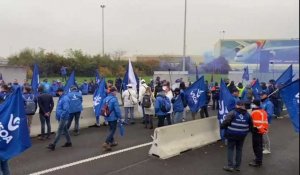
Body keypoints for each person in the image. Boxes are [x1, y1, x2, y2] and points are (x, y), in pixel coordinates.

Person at [221, 101, 252, 172]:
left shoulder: (233, 112)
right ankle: (237, 166)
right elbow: (251, 125)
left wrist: (222, 126)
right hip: (242, 135)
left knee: (230, 149)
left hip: (232, 134)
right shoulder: (247, 114)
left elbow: (226, 121)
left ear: (237, 105)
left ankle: (230, 166)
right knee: (239, 149)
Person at [249, 99, 269, 167]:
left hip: (257, 131)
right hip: (261, 131)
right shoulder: (262, 111)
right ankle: (258, 159)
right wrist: (263, 131)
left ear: (255, 104)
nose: (251, 104)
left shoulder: (255, 112)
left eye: (252, 103)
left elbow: (257, 124)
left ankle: (258, 161)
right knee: (259, 146)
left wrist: (259, 130)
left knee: (257, 146)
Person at [102, 87, 122, 151]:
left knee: (110, 129)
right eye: (115, 91)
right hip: (113, 117)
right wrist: (119, 116)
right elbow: (117, 109)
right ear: (113, 92)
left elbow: (103, 108)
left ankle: (112, 142)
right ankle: (106, 142)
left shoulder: (105, 99)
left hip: (107, 116)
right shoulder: (114, 99)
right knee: (113, 130)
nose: (116, 93)